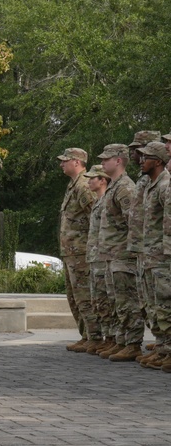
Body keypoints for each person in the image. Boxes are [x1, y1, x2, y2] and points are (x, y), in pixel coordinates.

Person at [96, 144, 145, 362]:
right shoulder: (114, 187)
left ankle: (132, 343)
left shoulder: (125, 187)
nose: (103, 162)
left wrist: (132, 252)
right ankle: (122, 340)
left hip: (123, 255)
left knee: (128, 301)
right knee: (117, 301)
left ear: (118, 161)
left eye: (107, 159)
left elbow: (133, 222)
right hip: (111, 255)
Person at [132, 142, 171, 369]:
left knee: (165, 304)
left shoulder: (166, 186)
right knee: (154, 306)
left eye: (146, 157)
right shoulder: (151, 185)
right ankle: (163, 348)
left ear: (157, 161)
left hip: (162, 256)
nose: (141, 160)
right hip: (149, 255)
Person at [57, 148, 97, 352]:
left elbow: (95, 216)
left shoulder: (84, 186)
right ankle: (86, 335)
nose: (61, 164)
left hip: (81, 252)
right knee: (74, 297)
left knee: (84, 296)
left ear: (77, 162)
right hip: (71, 253)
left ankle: (94, 336)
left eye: (65, 161)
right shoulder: (73, 185)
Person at [125, 131, 161, 353]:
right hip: (142, 249)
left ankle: (164, 344)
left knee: (159, 300)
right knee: (147, 302)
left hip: (156, 250)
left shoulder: (161, 180)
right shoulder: (145, 179)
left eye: (141, 149)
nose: (136, 154)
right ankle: (162, 342)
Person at [84, 165, 115, 355]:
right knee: (99, 300)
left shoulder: (106, 202)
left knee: (107, 299)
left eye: (92, 178)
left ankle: (113, 338)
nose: (88, 181)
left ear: (103, 180)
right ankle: (108, 337)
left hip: (104, 257)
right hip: (95, 256)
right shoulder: (98, 202)